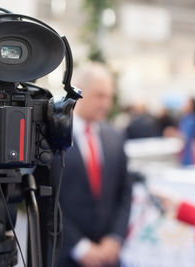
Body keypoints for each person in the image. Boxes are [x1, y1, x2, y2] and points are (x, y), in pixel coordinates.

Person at [57, 62, 132, 267]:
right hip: (65, 256)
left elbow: (124, 193)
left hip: (108, 256)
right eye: (100, 96)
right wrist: (79, 247)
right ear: (79, 93)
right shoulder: (54, 139)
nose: (106, 104)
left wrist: (115, 238)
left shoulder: (115, 137)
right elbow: (46, 199)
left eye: (109, 96)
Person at [178, 97, 195, 165]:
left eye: (187, 104)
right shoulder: (184, 118)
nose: (184, 105)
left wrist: (173, 134)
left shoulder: (192, 120)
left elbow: (186, 137)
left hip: (189, 152)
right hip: (183, 151)